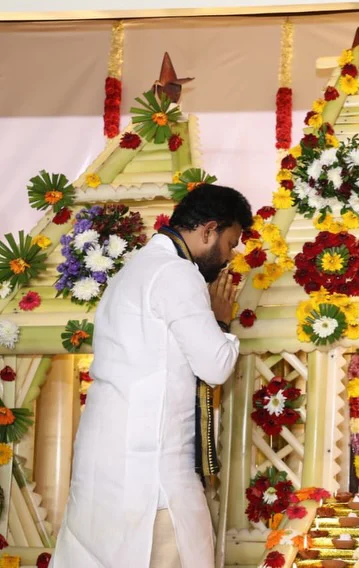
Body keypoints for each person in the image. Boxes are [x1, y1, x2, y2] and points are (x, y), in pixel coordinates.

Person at [51, 184, 253, 568]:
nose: (230, 256)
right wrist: (222, 320)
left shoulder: (135, 269)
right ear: (208, 230)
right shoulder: (177, 273)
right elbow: (215, 366)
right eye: (230, 243)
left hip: (106, 460)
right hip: (149, 467)